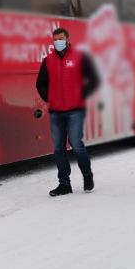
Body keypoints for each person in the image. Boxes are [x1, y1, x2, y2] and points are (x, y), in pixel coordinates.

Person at [35, 27, 100, 196]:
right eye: (55, 39)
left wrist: (82, 95)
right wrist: (49, 97)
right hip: (56, 111)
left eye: (61, 38)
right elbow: (40, 83)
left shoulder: (79, 57)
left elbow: (93, 79)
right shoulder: (48, 60)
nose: (58, 42)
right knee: (58, 148)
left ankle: (87, 175)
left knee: (77, 145)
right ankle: (64, 184)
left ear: (67, 39)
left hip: (75, 110)